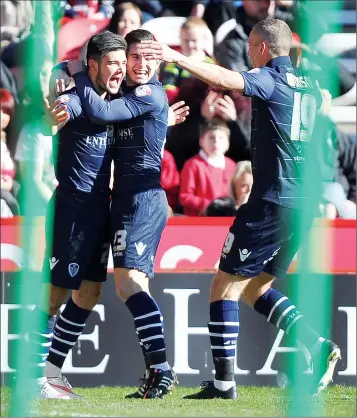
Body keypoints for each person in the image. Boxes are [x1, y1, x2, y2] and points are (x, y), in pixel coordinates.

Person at [137, 18, 341, 399]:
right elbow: (330, 98)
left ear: (263, 48)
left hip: (271, 199)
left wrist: (173, 56)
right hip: (305, 203)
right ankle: (318, 346)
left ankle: (223, 384)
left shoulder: (270, 78)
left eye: (251, 45)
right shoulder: (310, 85)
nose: (248, 52)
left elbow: (229, 80)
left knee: (223, 286)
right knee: (254, 287)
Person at [66, 29, 179, 399]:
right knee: (129, 284)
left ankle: (162, 369)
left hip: (142, 198)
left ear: (159, 62)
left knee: (127, 283)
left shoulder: (149, 93)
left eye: (150, 58)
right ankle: (156, 374)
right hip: (123, 199)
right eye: (135, 58)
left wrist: (80, 72)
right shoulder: (129, 93)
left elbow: (100, 111)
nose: (142, 65)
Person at [35, 31, 128, 399]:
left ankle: (52, 371)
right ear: (92, 65)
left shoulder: (118, 101)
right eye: (113, 63)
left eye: (122, 63)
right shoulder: (74, 96)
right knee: (54, 295)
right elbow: (55, 119)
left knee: (88, 293)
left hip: (100, 210)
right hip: (72, 209)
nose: (120, 70)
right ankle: (32, 378)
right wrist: (50, 119)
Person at [179, 119, 236, 216]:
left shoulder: (232, 166)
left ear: (228, 144)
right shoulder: (193, 164)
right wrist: (209, 206)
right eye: (211, 137)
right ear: (201, 141)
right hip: (199, 221)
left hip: (227, 220)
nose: (216, 142)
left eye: (221, 138)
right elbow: (185, 196)